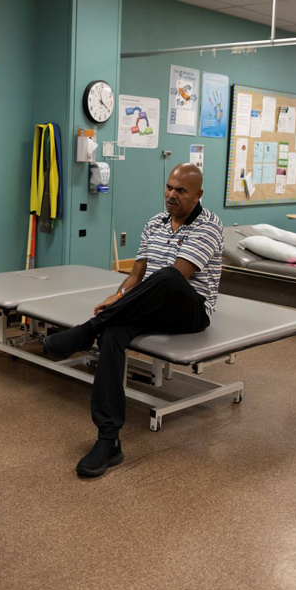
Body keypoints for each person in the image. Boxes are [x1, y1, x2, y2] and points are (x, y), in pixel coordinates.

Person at [43, 163, 223, 477]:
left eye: (180, 190)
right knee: (113, 333)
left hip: (191, 309)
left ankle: (87, 330)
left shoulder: (209, 225)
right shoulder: (155, 223)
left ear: (198, 195)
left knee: (166, 276)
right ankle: (108, 440)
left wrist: (122, 301)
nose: (171, 195)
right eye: (169, 187)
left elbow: (177, 277)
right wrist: (120, 293)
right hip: (150, 305)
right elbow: (137, 274)